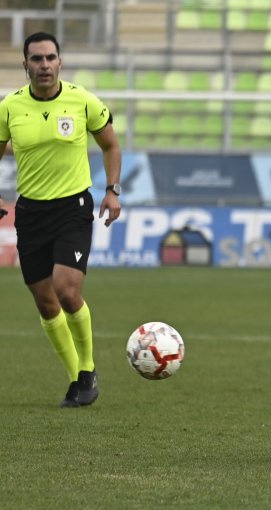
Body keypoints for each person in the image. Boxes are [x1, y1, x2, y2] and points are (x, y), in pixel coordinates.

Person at [0, 32, 121, 407]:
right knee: (45, 303)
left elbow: (111, 145)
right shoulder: (9, 108)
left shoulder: (83, 101)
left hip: (73, 208)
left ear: (60, 62)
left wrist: (112, 189)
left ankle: (87, 369)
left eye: (51, 58)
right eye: (36, 59)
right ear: (25, 66)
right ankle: (76, 380)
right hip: (32, 212)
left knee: (67, 291)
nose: (45, 65)